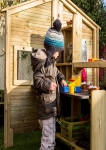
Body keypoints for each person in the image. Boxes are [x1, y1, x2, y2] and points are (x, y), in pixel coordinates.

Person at [31, 19, 67, 150]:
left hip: (50, 107)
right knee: (47, 139)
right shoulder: (42, 62)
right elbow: (37, 81)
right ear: (52, 49)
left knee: (50, 137)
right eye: (58, 51)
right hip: (45, 106)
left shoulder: (50, 62)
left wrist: (61, 79)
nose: (58, 54)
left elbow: (56, 72)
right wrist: (48, 85)